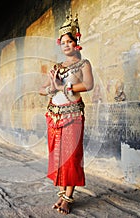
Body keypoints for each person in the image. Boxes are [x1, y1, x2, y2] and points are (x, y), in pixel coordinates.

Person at [39, 12, 94, 215]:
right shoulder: (56, 67)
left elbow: (88, 85)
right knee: (59, 156)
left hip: (72, 116)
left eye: (69, 41)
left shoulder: (83, 64)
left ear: (76, 42)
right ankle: (61, 195)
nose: (66, 45)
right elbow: (42, 89)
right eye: (63, 42)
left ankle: (68, 198)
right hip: (54, 115)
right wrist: (52, 87)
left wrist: (64, 87)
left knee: (71, 157)